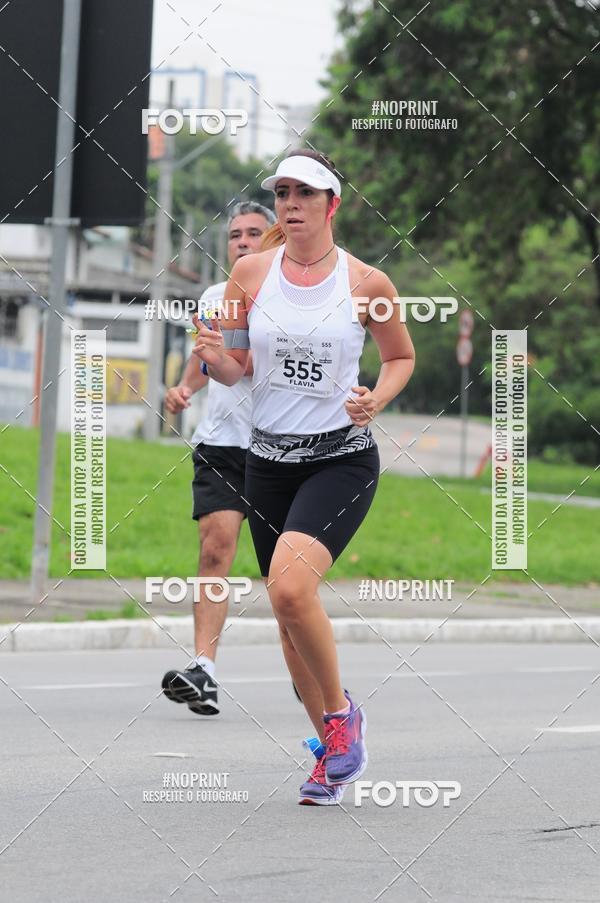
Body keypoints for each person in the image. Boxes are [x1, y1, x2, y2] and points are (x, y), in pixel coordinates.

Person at [191, 149, 415, 804]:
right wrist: (214, 356)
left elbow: (400, 357)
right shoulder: (249, 273)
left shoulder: (368, 283)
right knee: (289, 619)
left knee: (290, 590)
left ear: (332, 205)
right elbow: (237, 370)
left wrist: (377, 396)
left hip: (341, 458)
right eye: (281, 192)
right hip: (268, 462)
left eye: (304, 193)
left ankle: (344, 716)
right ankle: (330, 750)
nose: (289, 203)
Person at [161, 201, 275, 716]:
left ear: (273, 237)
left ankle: (310, 669)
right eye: (235, 235)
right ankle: (203, 671)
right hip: (223, 445)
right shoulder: (212, 297)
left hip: (284, 445)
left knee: (286, 573)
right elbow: (203, 357)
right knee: (215, 550)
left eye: (255, 232)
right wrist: (182, 390)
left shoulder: (289, 297)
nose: (244, 242)